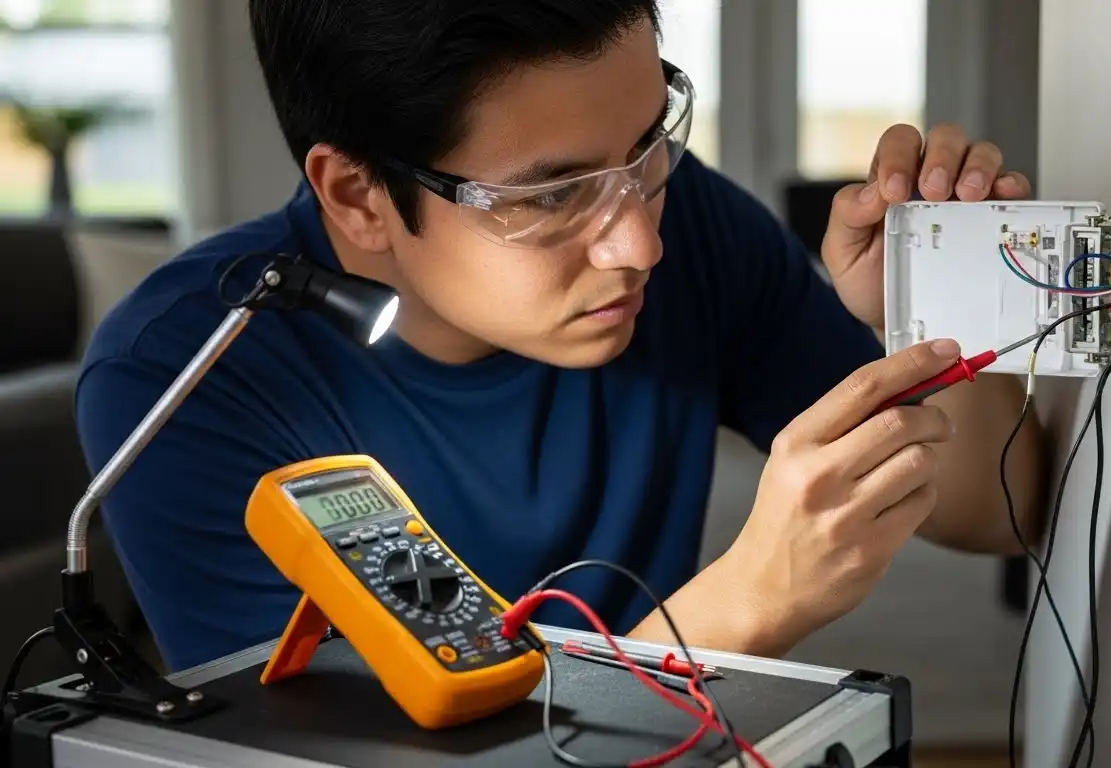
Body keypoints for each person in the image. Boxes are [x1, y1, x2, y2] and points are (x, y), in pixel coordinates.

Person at [76, 0, 1046, 673]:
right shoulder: (181, 378)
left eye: (646, 147)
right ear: (359, 196)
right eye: (551, 194)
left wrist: (925, 303)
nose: (638, 242)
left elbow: (999, 512)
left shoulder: (693, 222)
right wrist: (747, 604)